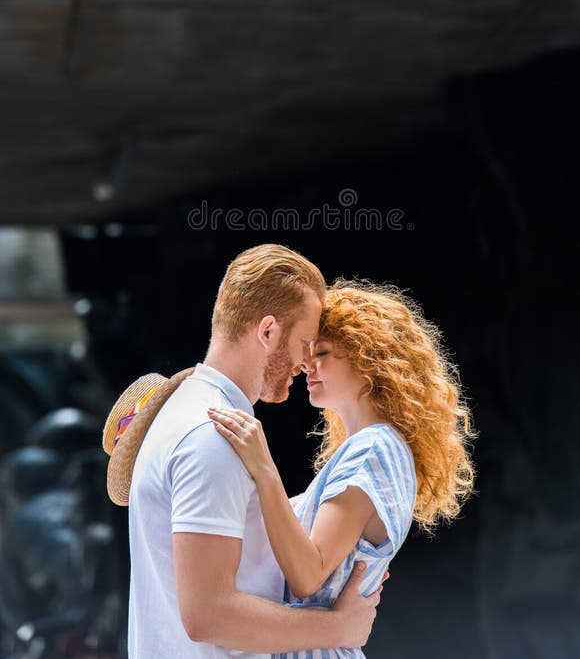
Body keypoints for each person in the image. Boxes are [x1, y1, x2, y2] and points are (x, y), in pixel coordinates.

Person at [102, 245, 384, 659]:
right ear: (267, 331)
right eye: (305, 343)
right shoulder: (213, 437)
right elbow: (209, 615)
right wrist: (339, 627)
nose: (307, 363)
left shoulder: (188, 413)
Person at [209, 278, 477, 658]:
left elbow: (307, 575)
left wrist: (264, 468)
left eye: (323, 352)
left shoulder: (373, 451)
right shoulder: (371, 449)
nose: (306, 365)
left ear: (368, 358)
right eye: (309, 352)